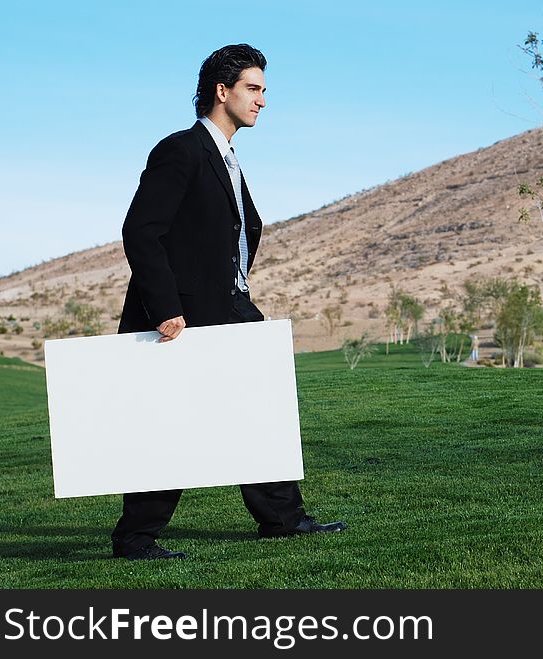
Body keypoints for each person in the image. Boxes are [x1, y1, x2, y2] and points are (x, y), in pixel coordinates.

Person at [111, 44, 346, 560]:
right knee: (173, 423)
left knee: (261, 410)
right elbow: (141, 231)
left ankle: (283, 519)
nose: (263, 100)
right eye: (254, 89)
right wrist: (167, 306)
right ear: (223, 91)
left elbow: (238, 231)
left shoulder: (228, 158)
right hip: (184, 317)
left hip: (230, 306)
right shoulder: (182, 150)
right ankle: (135, 537)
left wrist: (233, 284)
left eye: (264, 90)